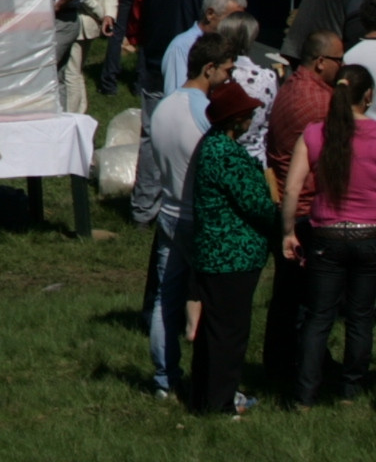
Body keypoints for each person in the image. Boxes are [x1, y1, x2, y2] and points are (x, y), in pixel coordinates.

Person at [136, 37, 234, 399]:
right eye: (227, 70)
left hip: (169, 211)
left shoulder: (165, 105)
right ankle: (213, 384)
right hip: (198, 216)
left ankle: (165, 379)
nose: (229, 78)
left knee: (166, 297)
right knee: (215, 300)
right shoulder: (203, 112)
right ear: (209, 69)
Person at [285, 64, 376, 406]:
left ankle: (305, 394)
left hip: (326, 235)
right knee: (360, 315)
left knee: (318, 316)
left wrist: (288, 232)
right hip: (370, 234)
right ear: (367, 95)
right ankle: (351, 389)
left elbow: (293, 189)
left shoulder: (315, 133)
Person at [192, 80, 278, 417]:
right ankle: (222, 403)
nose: (251, 119)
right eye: (247, 114)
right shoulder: (227, 154)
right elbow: (257, 204)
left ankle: (204, 397)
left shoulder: (210, 145)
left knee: (213, 332)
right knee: (230, 335)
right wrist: (278, 214)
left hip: (214, 255)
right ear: (235, 118)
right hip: (233, 257)